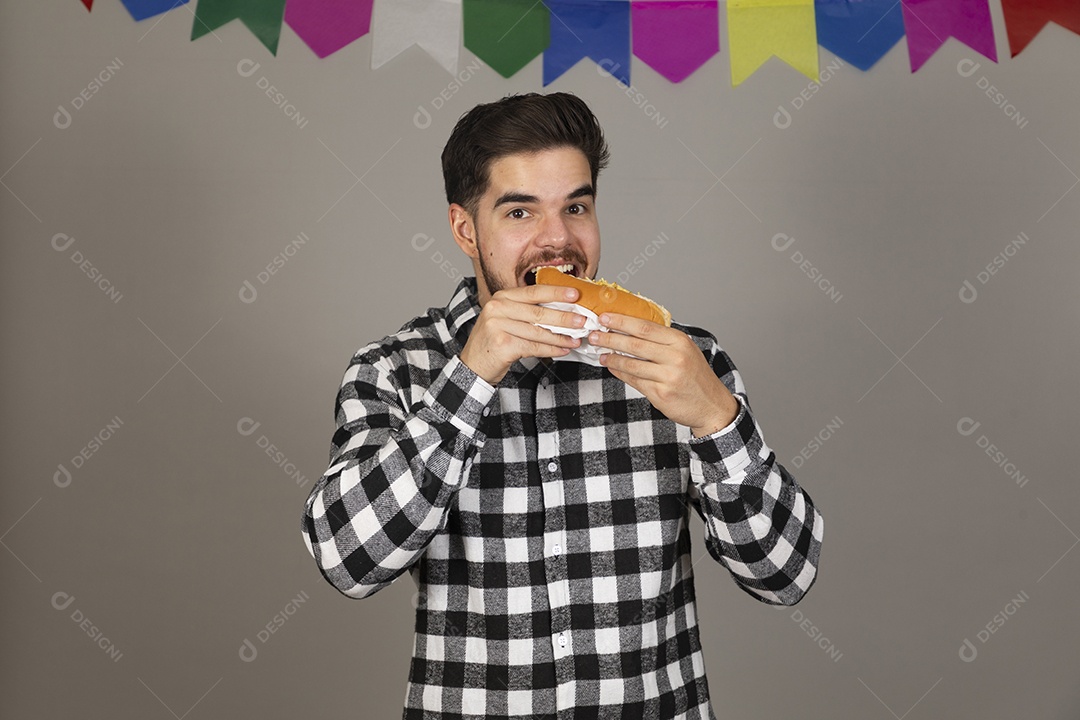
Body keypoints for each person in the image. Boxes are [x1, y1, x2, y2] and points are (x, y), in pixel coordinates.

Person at [302, 92, 823, 720]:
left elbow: (785, 576)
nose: (558, 240)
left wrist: (718, 420)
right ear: (466, 229)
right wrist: (473, 375)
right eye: (520, 211)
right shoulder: (396, 368)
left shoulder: (681, 361)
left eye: (576, 206)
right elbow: (347, 561)